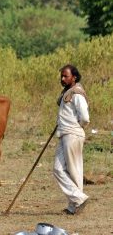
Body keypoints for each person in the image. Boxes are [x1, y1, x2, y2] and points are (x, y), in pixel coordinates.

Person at [54, 64, 90, 215]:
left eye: (66, 76)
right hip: (64, 134)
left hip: (73, 134)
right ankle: (78, 199)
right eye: (62, 76)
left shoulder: (77, 94)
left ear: (74, 77)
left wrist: (76, 128)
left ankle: (74, 205)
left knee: (74, 171)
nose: (63, 78)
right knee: (58, 169)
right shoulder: (67, 92)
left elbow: (85, 118)